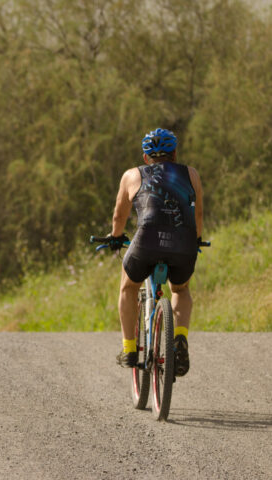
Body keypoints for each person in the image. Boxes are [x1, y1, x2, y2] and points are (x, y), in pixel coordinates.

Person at [107, 128, 203, 377]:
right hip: (183, 242)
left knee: (128, 287)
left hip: (146, 241)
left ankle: (129, 349)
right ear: (174, 154)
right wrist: (197, 240)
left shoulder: (132, 175)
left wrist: (116, 238)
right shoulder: (191, 174)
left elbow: (119, 215)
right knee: (180, 290)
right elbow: (198, 214)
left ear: (146, 157)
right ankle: (179, 338)